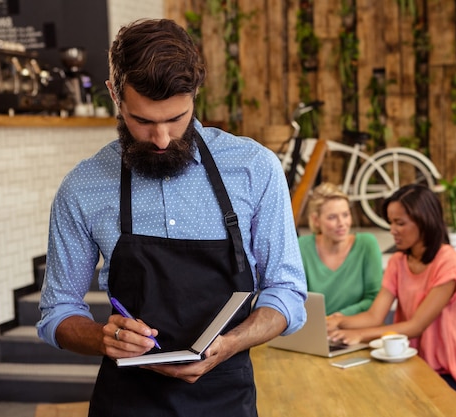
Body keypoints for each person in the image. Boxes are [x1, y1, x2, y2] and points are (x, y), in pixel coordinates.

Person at [36, 18, 307, 417]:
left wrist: (231, 343)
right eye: (143, 121)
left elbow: (286, 292)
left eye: (176, 119)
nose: (161, 139)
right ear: (114, 94)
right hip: (127, 401)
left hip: (225, 398)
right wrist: (102, 337)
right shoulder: (82, 187)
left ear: (196, 94)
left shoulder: (254, 169)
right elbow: (57, 311)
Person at [327, 184, 456, 406]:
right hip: (414, 368)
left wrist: (360, 335)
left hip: (455, 378)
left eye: (400, 223)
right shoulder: (398, 262)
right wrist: (337, 322)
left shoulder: (448, 263)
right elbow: (374, 315)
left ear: (424, 221)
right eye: (391, 222)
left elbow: (416, 326)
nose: (393, 230)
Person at [298, 182, 382, 315]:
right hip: (316, 330)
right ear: (316, 220)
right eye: (332, 217)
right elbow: (298, 300)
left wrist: (341, 317)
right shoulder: (302, 246)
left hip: (359, 329)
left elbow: (375, 299)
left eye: (345, 215)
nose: (342, 223)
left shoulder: (367, 244)